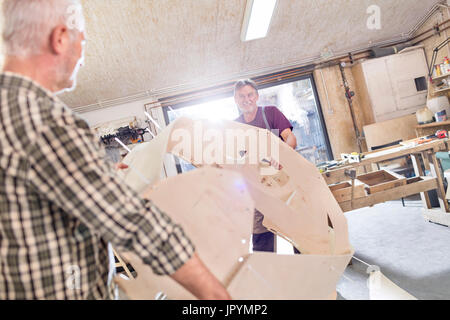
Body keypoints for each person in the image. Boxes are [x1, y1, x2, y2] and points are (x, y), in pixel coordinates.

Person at [0, 0, 230, 300]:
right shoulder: (45, 120)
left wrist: (99, 175)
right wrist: (219, 298)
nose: (81, 56)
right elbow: (135, 224)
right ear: (59, 38)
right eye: (81, 41)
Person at [234, 79, 300, 253]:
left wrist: (281, 155)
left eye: (249, 95)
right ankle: (266, 274)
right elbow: (236, 157)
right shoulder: (235, 127)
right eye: (241, 96)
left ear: (256, 96)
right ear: (236, 99)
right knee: (261, 236)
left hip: (281, 182)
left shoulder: (270, 113)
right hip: (257, 187)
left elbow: (290, 137)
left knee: (298, 229)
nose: (246, 99)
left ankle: (308, 267)